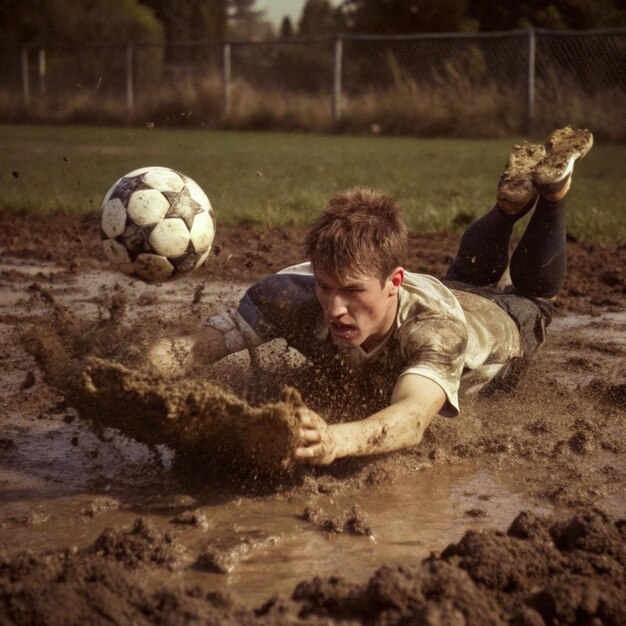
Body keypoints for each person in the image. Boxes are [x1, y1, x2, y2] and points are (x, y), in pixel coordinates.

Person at [149, 126, 593, 467]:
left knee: (535, 295)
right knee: (462, 275)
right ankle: (507, 208)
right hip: (443, 291)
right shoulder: (286, 294)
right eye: (325, 286)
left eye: (352, 291)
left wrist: (334, 440)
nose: (335, 308)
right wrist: (139, 370)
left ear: (393, 281)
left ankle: (552, 194)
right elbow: (193, 349)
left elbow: (413, 416)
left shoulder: (437, 333)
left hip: (497, 324)